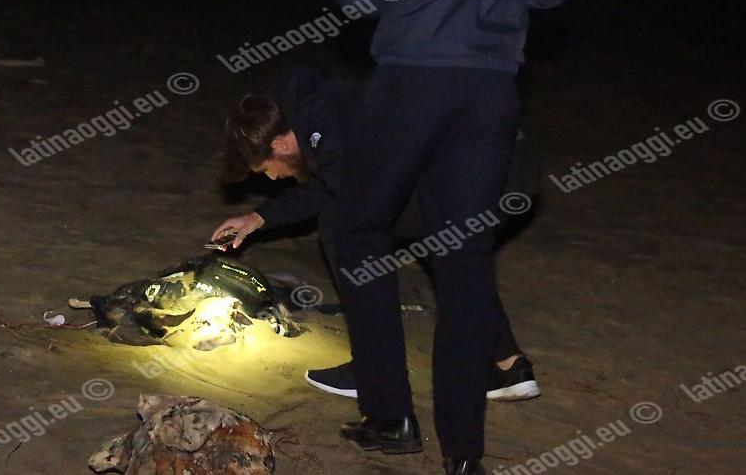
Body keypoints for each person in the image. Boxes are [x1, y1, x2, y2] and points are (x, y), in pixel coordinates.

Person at [327, 0, 573, 475]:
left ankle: (389, 413)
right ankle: (464, 456)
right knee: (462, 258)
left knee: (357, 230)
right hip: (493, 86)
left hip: (411, 81)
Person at [212, 65, 542, 404]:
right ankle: (509, 367)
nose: (272, 178)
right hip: (507, 162)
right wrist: (257, 217)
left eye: (265, 169)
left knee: (343, 231)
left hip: (487, 174)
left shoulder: (331, 128)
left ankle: (373, 372)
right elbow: (335, 182)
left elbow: (335, 191)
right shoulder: (310, 109)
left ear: (279, 144)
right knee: (445, 248)